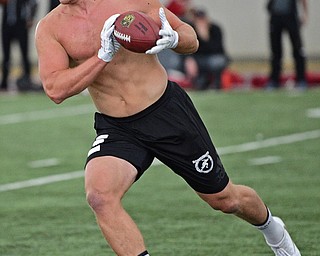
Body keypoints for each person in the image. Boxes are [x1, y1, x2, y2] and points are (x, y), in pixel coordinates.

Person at [35, 1, 301, 255]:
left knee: (225, 199)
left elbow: (190, 37)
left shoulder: (130, 0)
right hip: (118, 126)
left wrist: (174, 39)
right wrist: (102, 55)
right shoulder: (51, 27)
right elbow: (55, 89)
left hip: (166, 112)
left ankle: (273, 229)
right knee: (100, 197)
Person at [266, 0, 308, 89]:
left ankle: (301, 79)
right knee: (275, 51)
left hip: (291, 15)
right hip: (276, 16)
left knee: (297, 49)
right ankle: (274, 80)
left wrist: (305, 13)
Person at [185, 8, 229, 90]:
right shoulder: (192, 30)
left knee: (216, 62)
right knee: (188, 63)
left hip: (213, 57)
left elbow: (217, 49)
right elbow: (189, 48)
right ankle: (200, 82)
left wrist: (205, 37)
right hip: (199, 59)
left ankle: (216, 82)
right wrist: (189, 59)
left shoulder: (215, 29)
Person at [0, 0, 39, 92]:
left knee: (24, 54)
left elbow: (34, 3)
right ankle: (4, 81)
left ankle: (27, 78)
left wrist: (31, 18)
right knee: (6, 56)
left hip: (20, 25)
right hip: (7, 25)